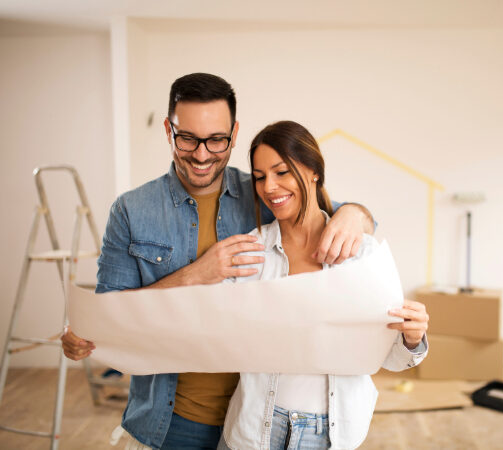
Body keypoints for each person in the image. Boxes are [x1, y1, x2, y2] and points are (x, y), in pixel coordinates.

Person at [61, 73, 375, 449]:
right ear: (168, 129)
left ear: (234, 133)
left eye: (216, 139)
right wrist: (194, 275)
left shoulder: (262, 191)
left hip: (255, 420)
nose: (202, 153)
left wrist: (356, 213)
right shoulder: (132, 210)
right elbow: (109, 316)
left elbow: (332, 214)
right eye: (188, 138)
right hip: (172, 419)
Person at [218, 120, 429, 450]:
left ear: (314, 171)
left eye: (281, 172)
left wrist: (412, 337)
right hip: (254, 430)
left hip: (330, 436)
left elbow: (388, 357)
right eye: (259, 177)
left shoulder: (364, 254)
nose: (269, 187)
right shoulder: (249, 253)